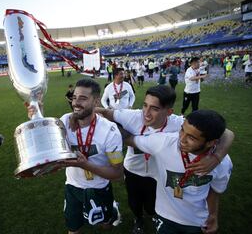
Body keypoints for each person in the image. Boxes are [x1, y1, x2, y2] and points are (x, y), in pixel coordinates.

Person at [96, 85, 234, 234]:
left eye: (154, 108)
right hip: (134, 170)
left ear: (168, 112)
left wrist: (216, 157)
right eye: (145, 105)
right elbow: (105, 114)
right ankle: (139, 219)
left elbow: (225, 132)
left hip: (158, 174)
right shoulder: (134, 117)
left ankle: (155, 216)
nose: (146, 114)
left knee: (152, 205)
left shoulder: (178, 124)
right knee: (134, 201)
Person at [28, 78, 123, 234]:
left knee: (105, 225)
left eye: (83, 98)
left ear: (96, 101)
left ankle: (111, 210)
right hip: (73, 186)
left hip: (99, 188)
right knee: (73, 228)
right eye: (74, 97)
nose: (76, 103)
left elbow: (118, 173)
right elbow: (47, 146)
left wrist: (85, 165)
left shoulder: (109, 131)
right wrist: (38, 116)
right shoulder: (64, 121)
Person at [125, 110, 233, 234]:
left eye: (191, 137)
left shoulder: (223, 163)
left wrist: (213, 215)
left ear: (211, 142)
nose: (181, 139)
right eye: (182, 130)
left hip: (197, 221)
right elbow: (131, 139)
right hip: (165, 215)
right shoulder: (164, 143)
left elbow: (214, 190)